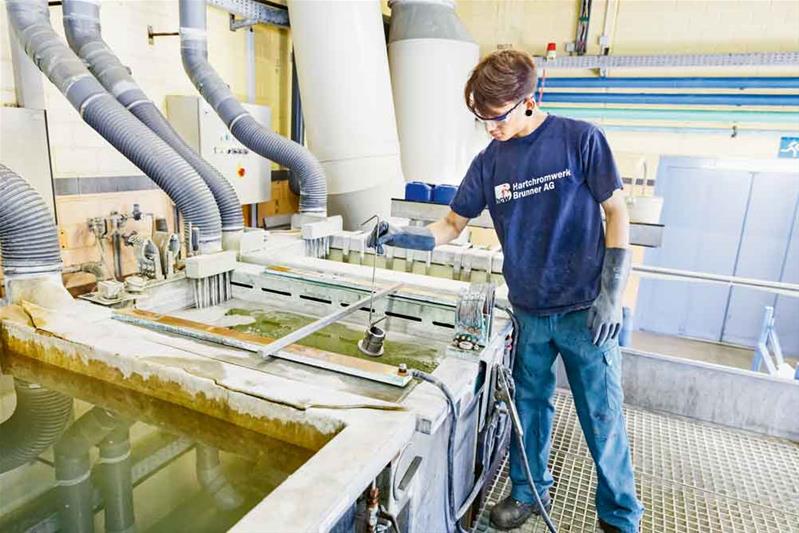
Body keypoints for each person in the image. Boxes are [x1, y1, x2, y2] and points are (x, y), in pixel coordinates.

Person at [369, 49, 644, 532]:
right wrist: (404, 237)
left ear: (528, 101)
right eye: (480, 118)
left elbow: (617, 213)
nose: (489, 127)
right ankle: (529, 492)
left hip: (585, 311)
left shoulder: (581, 140)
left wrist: (611, 296)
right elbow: (453, 223)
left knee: (602, 419)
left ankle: (620, 516)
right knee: (530, 410)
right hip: (529, 311)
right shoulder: (489, 162)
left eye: (495, 117)